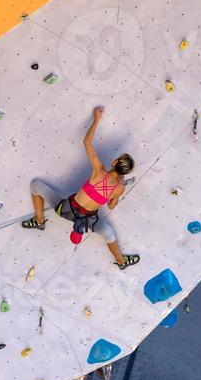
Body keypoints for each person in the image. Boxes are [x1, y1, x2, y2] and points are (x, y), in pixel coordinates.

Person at [22, 107, 140, 270]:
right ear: (124, 173)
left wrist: (97, 119)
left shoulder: (98, 171)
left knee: (35, 185)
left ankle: (40, 221)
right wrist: (119, 190)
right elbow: (111, 206)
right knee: (109, 234)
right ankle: (121, 262)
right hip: (87, 221)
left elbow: (86, 142)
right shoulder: (119, 188)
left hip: (65, 209)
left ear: (114, 163)